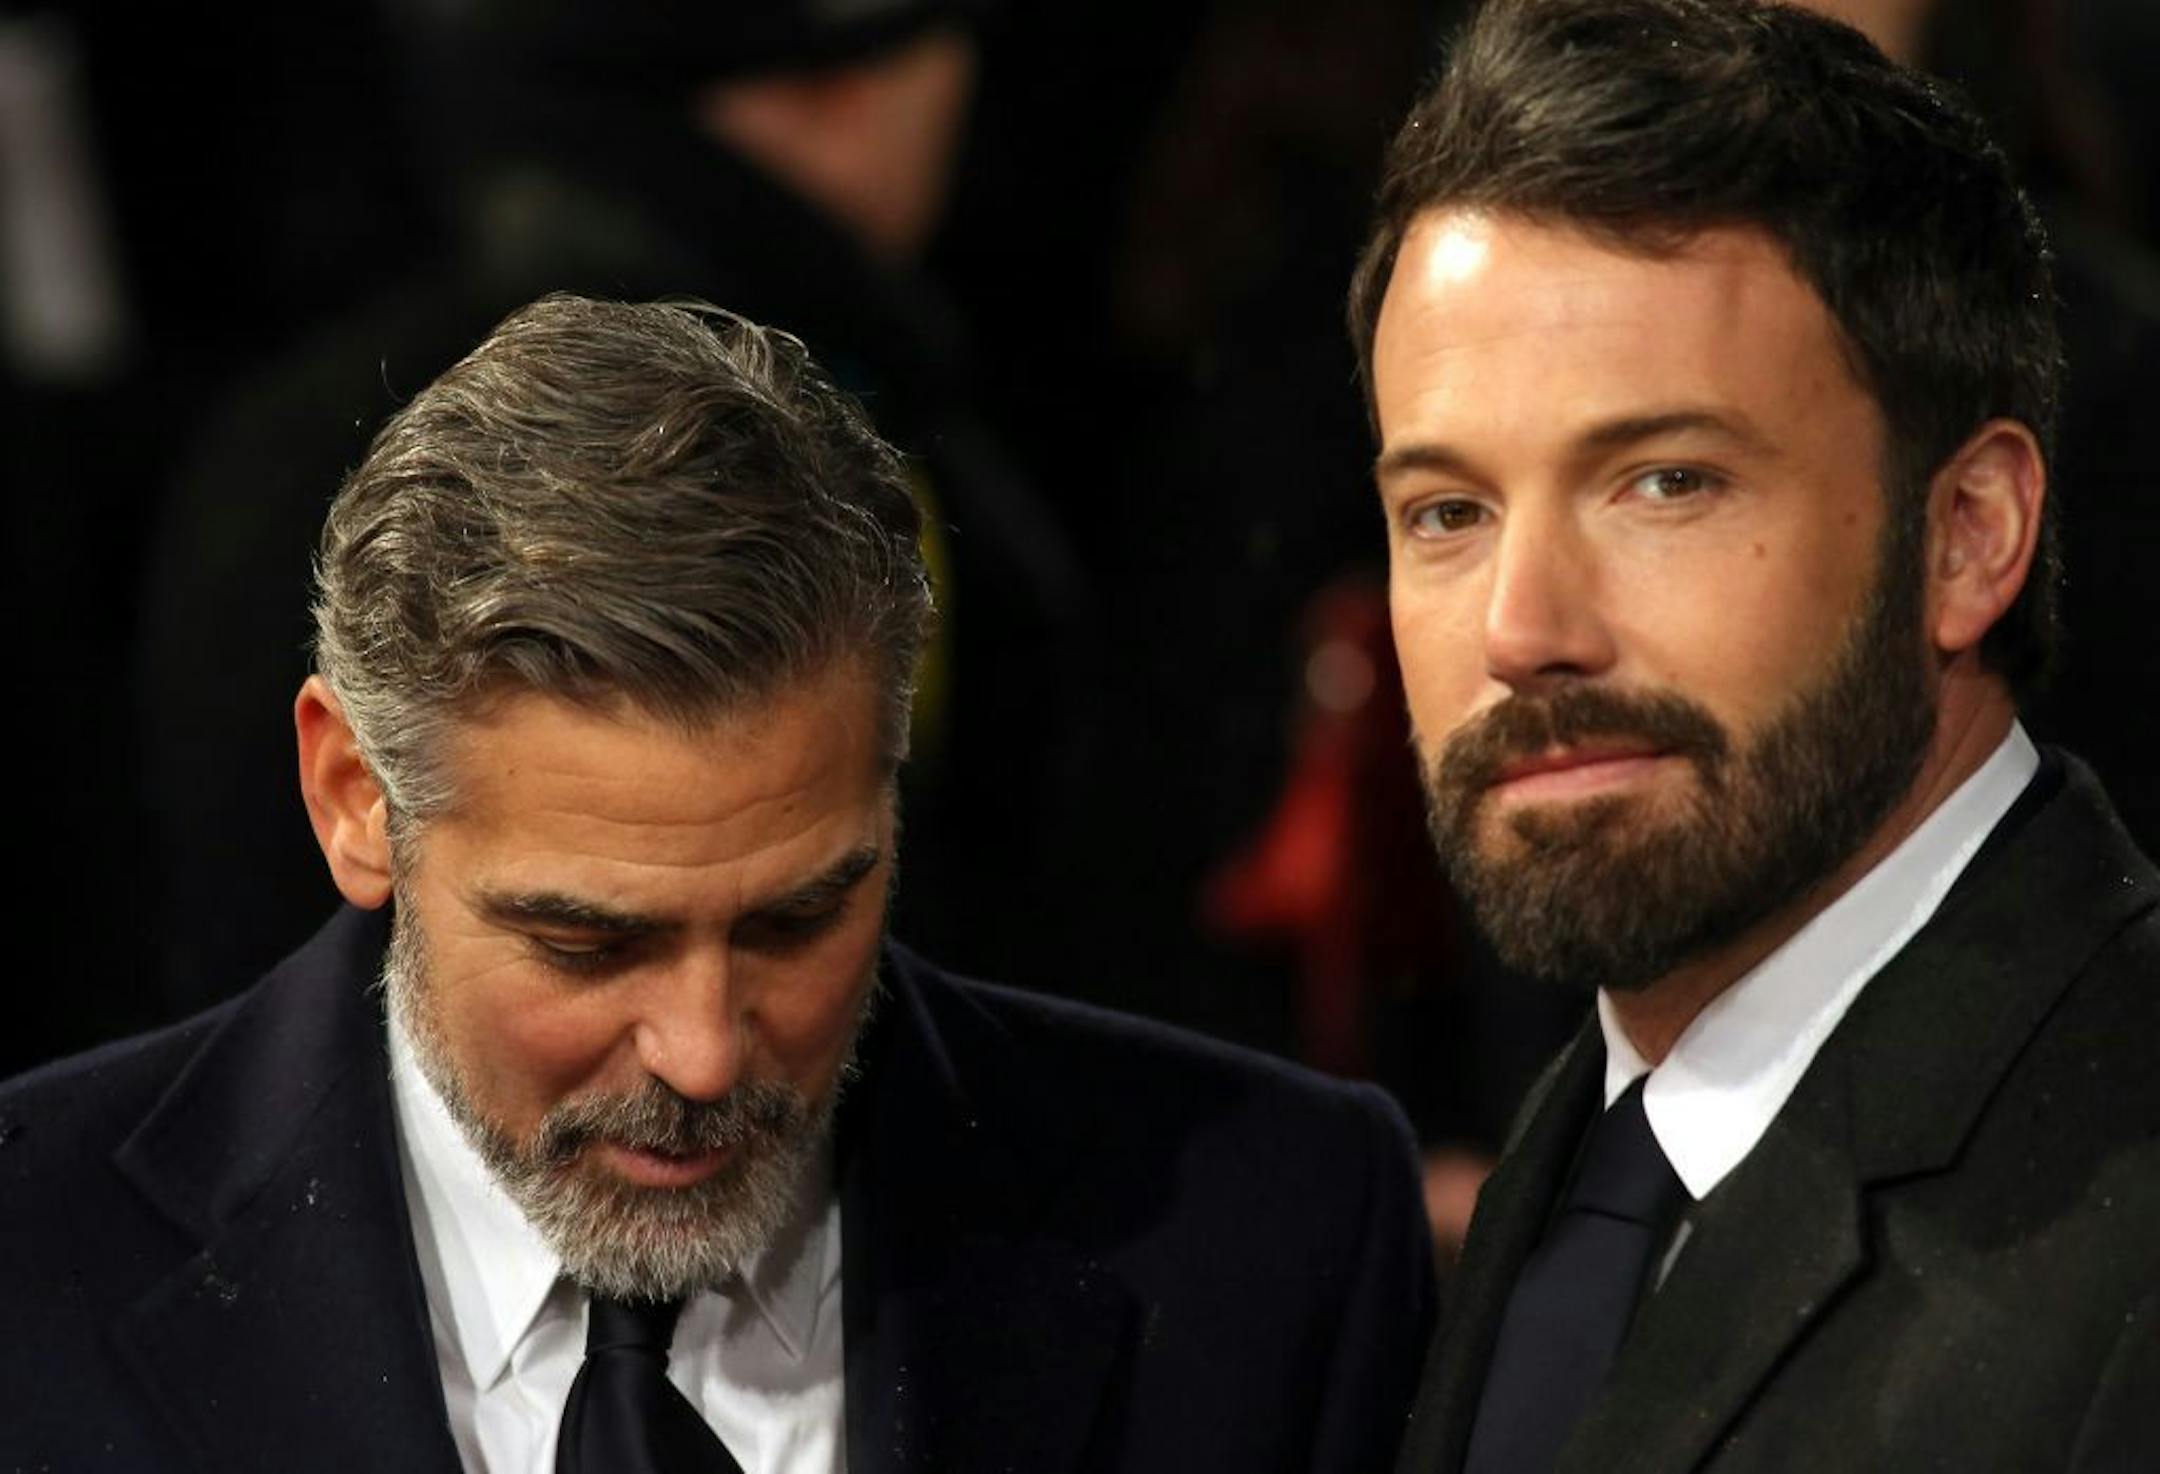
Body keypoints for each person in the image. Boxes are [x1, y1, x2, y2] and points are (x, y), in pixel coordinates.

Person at [0, 295, 1434, 1471]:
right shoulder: (31, 1270)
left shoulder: (1277, 1240)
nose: (700, 1049)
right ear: (354, 797)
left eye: (799, 916)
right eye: (584, 942)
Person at [1346, 2, 2160, 1470]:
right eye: (1448, 512)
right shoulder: (1598, 1131)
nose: (1524, 627)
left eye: (1664, 481)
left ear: (1969, 535)